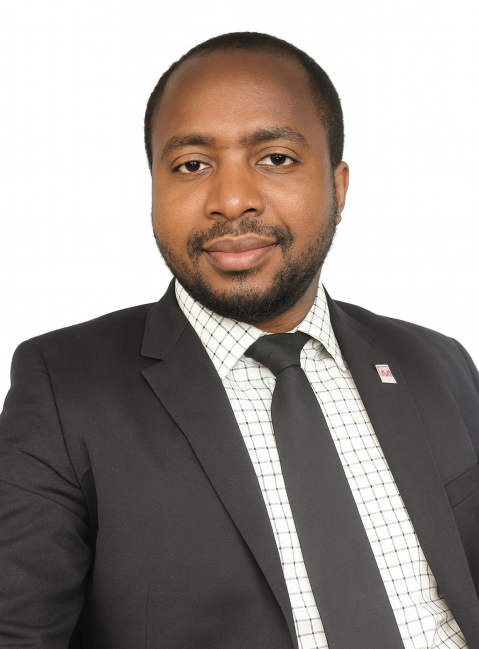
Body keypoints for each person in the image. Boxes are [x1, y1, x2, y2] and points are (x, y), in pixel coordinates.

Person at [1, 32, 478, 649]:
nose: (231, 201)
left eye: (275, 158)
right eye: (191, 165)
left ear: (338, 189)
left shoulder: (439, 361)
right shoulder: (62, 386)